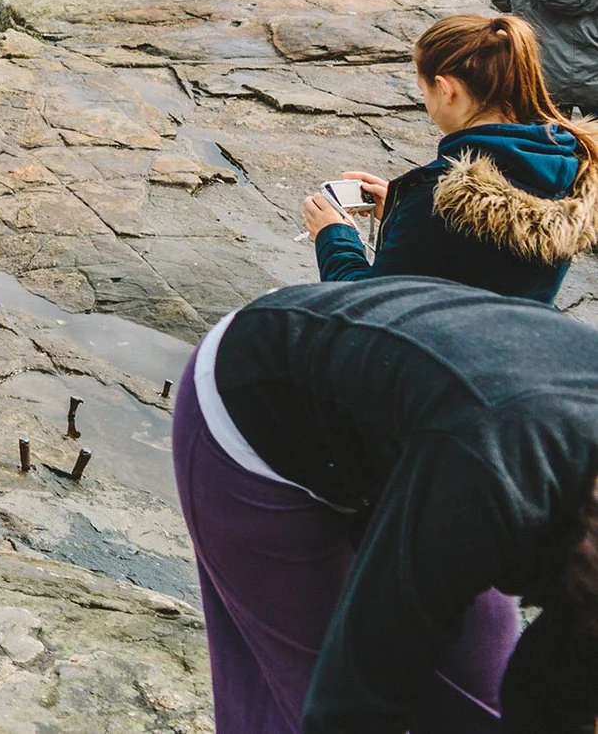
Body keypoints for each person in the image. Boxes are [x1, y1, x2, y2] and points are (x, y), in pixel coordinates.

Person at [174, 278, 598, 734]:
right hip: (261, 406)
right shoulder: (493, 480)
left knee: (478, 708)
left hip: (428, 431)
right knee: (308, 701)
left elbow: (551, 695)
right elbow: (350, 705)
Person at [302, 13, 598, 302]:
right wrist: (398, 210)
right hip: (518, 343)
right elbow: (481, 262)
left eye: (424, 90)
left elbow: (371, 305)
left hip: (433, 349)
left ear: (446, 89)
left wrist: (334, 236)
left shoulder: (438, 199)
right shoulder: (572, 166)